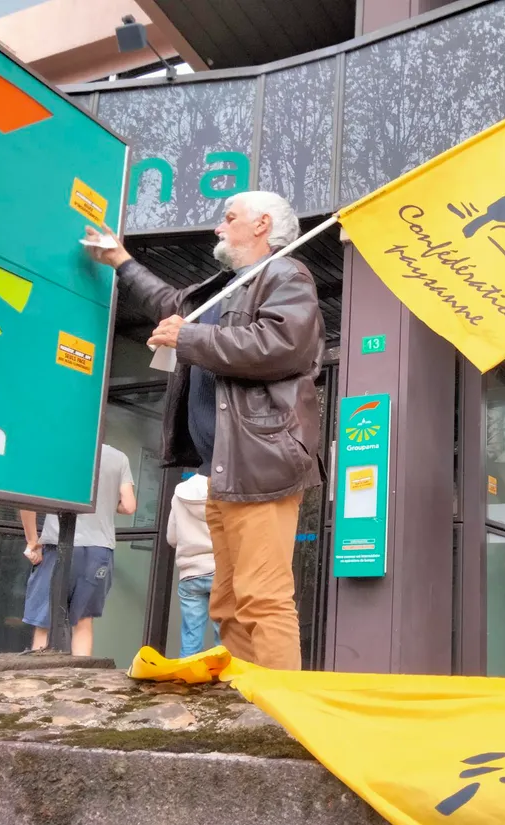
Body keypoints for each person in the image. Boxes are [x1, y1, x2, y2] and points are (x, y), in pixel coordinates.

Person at [84, 191, 324, 670]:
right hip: (225, 471)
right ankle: (239, 705)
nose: (219, 227)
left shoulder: (286, 274)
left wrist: (187, 337)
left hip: (262, 465)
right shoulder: (227, 287)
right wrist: (120, 260)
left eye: (229, 217)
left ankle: (281, 719)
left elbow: (281, 346)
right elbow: (170, 302)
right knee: (228, 601)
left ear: (261, 225)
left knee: (262, 598)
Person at [20, 443, 136, 656]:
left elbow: (26, 501)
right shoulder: (119, 457)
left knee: (45, 622)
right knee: (83, 621)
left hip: (60, 545)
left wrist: (32, 540)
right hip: (100, 551)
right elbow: (129, 506)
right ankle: (81, 680)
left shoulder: (55, 450)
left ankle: (37, 681)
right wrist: (107, 503)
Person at [167, 472, 220, 656]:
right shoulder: (224, 490)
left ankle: (186, 681)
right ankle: (224, 682)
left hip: (189, 574)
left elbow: (171, 537)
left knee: (191, 637)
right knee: (224, 637)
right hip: (218, 571)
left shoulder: (180, 494)